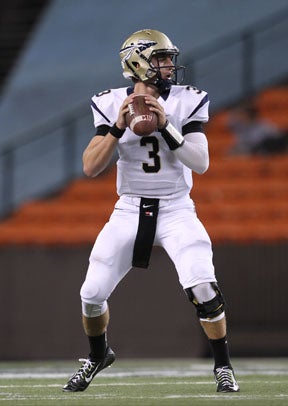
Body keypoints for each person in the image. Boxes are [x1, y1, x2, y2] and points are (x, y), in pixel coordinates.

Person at [63, 29, 239, 393]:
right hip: (128, 208)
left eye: (169, 58)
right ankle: (98, 355)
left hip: (177, 208)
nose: (170, 65)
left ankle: (223, 366)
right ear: (137, 63)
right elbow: (90, 166)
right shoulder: (111, 103)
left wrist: (166, 126)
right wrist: (117, 127)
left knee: (203, 286)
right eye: (161, 58)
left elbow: (201, 162)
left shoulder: (187, 100)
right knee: (91, 294)